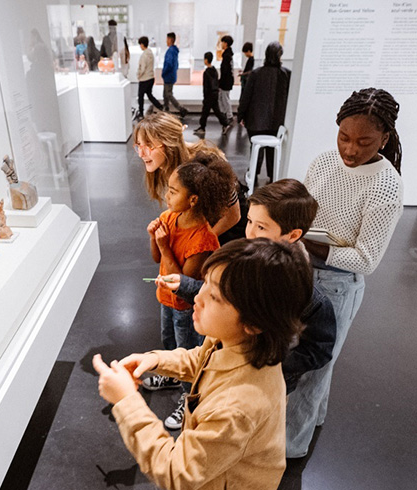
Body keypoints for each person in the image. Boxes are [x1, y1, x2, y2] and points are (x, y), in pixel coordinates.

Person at [93, 239, 314, 489]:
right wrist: (157, 359)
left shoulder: (238, 407)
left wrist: (126, 402)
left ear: (254, 323)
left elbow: (175, 473)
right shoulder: (234, 340)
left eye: (215, 297)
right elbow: (202, 359)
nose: (197, 298)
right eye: (204, 283)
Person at [287, 87, 404, 458]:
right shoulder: (324, 162)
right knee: (309, 358)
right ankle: (313, 418)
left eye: (364, 142)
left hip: (338, 285)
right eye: (344, 137)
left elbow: (366, 260)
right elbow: (303, 212)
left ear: (384, 138)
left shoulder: (386, 184)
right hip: (301, 269)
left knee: (315, 367)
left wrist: (305, 242)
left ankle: (290, 448)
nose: (350, 150)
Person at [157, 178, 337, 396]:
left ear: (293, 235)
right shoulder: (245, 259)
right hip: (226, 368)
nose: (250, 233)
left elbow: (319, 348)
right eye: (250, 221)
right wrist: (185, 284)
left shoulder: (305, 296)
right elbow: (224, 294)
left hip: (260, 385)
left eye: (261, 227)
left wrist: (267, 363)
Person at [145, 156, 236, 429]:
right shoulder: (169, 218)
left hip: (185, 308)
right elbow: (156, 259)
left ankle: (188, 396)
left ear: (193, 199)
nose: (166, 196)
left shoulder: (204, 240)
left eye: (173, 191)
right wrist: (154, 238)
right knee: (169, 342)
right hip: (166, 300)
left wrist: (163, 246)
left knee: (187, 349)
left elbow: (181, 281)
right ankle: (171, 374)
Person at [133, 112, 242, 240]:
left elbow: (234, 215)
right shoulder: (163, 164)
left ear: (169, 144)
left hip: (227, 231)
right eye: (139, 145)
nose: (141, 154)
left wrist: (201, 241)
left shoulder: (205, 166)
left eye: (149, 145)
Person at [237, 41, 291, 186]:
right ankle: (273, 177)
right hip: (277, 122)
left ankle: (253, 174)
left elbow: (246, 97)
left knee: (256, 149)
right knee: (273, 152)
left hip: (255, 121)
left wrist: (241, 115)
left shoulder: (256, 74)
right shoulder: (286, 74)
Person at [193, 52, 230, 136]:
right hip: (215, 93)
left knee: (206, 111)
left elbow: (206, 86)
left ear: (206, 60)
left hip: (209, 95)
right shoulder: (214, 70)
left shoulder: (206, 72)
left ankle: (203, 127)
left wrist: (205, 96)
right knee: (215, 111)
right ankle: (224, 123)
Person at [161, 32, 187, 119]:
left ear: (170, 40)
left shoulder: (170, 51)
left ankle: (181, 109)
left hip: (168, 76)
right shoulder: (174, 51)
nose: (166, 41)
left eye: (167, 39)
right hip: (171, 75)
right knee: (165, 93)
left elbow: (169, 64)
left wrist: (164, 72)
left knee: (168, 94)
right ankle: (166, 109)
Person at [137, 36, 162, 117]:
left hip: (144, 79)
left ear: (142, 44)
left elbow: (143, 68)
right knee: (149, 95)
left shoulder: (144, 55)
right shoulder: (151, 53)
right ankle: (160, 106)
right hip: (151, 78)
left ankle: (141, 112)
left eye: (140, 44)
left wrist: (138, 75)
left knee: (140, 96)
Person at [217, 35, 235, 124]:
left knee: (225, 98)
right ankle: (224, 113)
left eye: (222, 42)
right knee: (222, 97)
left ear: (226, 43)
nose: (221, 44)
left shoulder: (227, 56)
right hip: (227, 80)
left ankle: (229, 115)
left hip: (226, 81)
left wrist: (221, 81)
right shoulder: (228, 55)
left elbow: (225, 71)